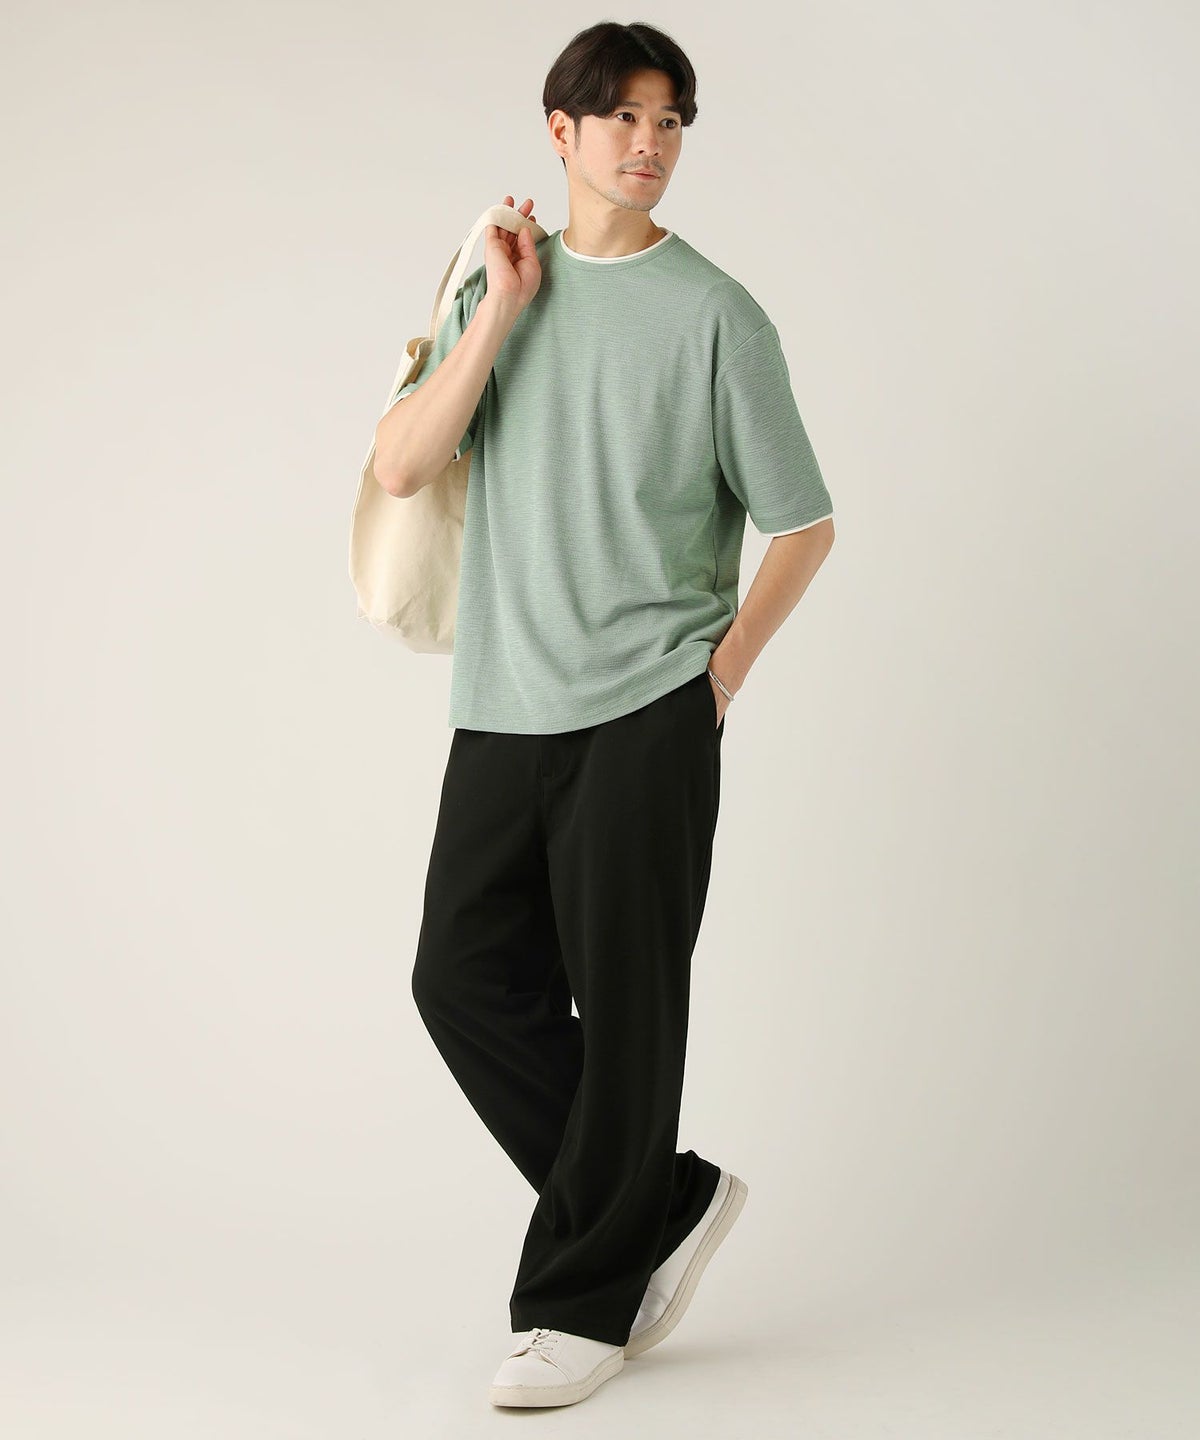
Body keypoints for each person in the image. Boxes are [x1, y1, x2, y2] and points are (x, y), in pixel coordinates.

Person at [372, 20, 835, 1410]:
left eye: (670, 119)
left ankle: (577, 1305)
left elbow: (804, 524)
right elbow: (402, 464)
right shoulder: (500, 284)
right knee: (460, 978)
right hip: (503, 700)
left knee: (629, 1007)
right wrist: (498, 311)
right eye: (623, 116)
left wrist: (720, 678)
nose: (650, 143)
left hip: (650, 704)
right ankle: (662, 1200)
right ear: (560, 131)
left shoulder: (717, 316)